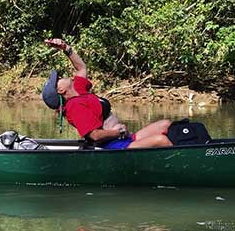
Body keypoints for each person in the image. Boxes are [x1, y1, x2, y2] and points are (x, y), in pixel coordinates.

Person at [41, 39, 172, 149]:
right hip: (113, 146)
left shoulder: (79, 91)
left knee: (165, 125)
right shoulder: (74, 107)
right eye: (57, 81)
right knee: (161, 141)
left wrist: (66, 48)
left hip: (124, 138)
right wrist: (118, 133)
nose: (60, 77)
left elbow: (81, 68)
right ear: (61, 91)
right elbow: (95, 135)